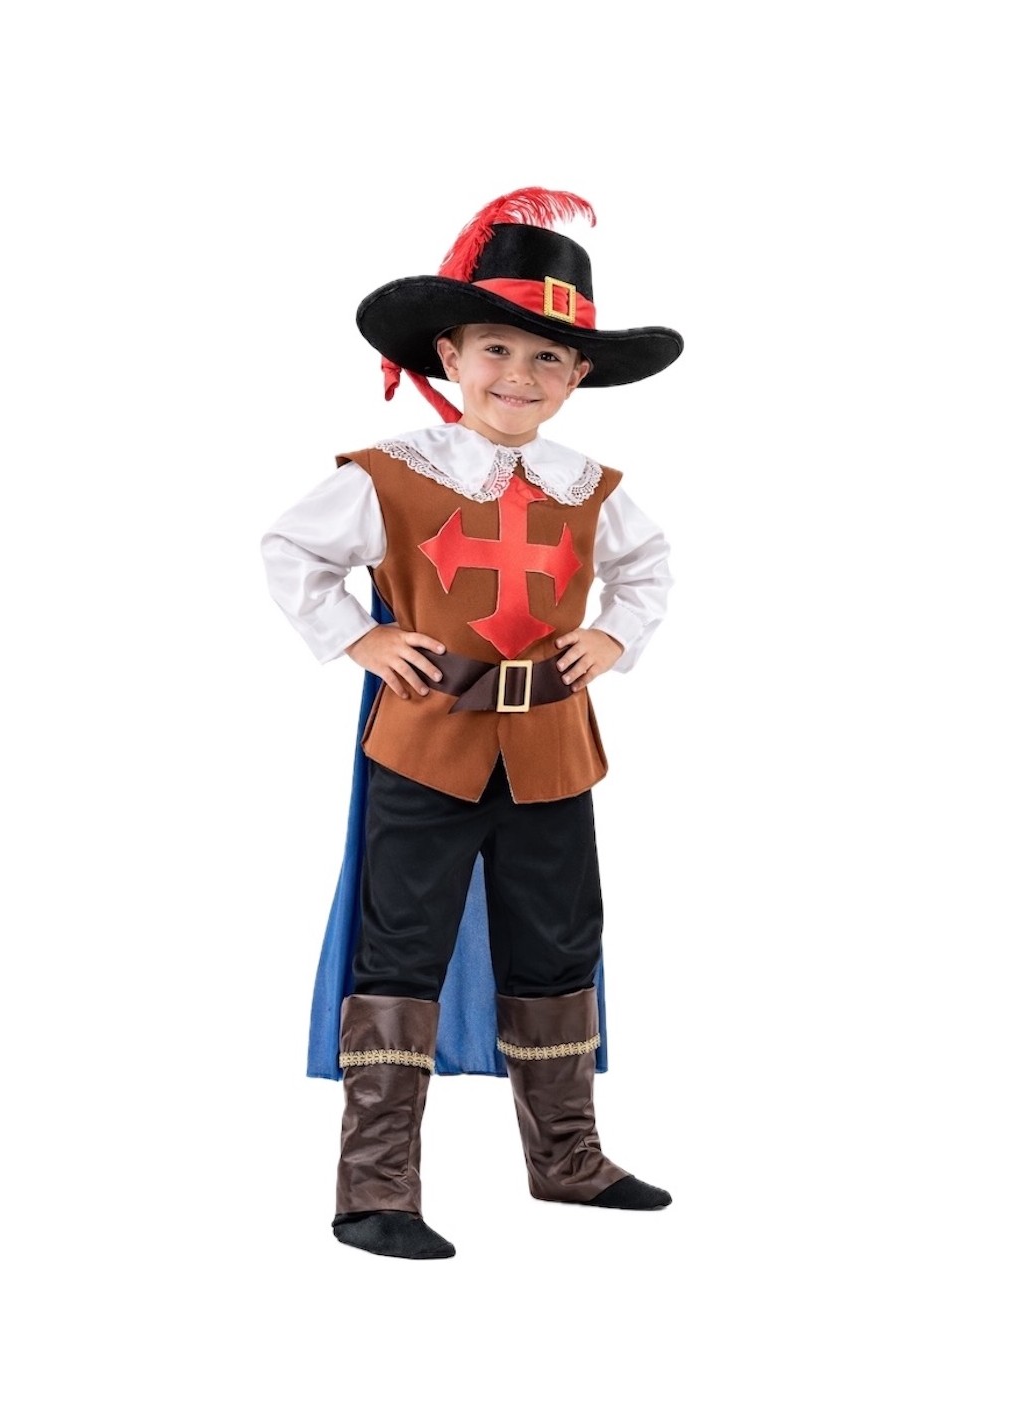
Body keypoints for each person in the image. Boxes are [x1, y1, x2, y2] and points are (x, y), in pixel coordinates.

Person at [261, 188, 682, 1260]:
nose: (518, 376)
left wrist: (615, 637)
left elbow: (646, 568)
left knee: (558, 943)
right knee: (401, 948)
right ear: (449, 356)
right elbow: (290, 551)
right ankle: (376, 1190)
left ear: (577, 377)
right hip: (427, 748)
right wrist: (358, 638)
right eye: (496, 349)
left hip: (553, 752)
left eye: (547, 359)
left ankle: (568, 1160)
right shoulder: (393, 476)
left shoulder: (589, 489)